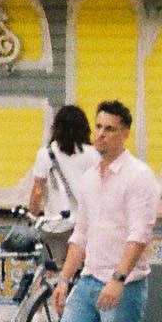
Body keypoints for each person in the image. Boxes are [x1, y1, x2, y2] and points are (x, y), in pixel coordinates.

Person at [50, 99, 160, 322]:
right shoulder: (89, 178)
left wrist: (119, 279)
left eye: (109, 129)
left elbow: (139, 234)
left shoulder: (139, 176)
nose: (101, 135)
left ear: (124, 134)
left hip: (124, 283)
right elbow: (80, 233)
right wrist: (64, 279)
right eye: (98, 127)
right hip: (89, 280)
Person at [23, 102, 98, 243]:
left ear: (56, 128)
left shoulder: (45, 154)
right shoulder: (93, 154)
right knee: (85, 265)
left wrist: (32, 218)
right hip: (86, 226)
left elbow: (38, 191)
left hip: (56, 226)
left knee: (57, 265)